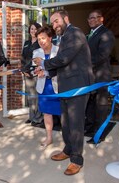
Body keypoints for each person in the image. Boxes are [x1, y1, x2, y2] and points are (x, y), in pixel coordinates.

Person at [33, 10, 94, 175]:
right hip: (66, 87)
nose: (55, 25)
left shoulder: (75, 33)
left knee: (75, 124)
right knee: (66, 122)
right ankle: (68, 150)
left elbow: (64, 59)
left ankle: (76, 159)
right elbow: (62, 65)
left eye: (56, 21)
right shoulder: (65, 36)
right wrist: (44, 72)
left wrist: (44, 64)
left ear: (66, 18)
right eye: (52, 23)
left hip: (78, 87)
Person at [85, 10, 115, 144]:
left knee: (101, 105)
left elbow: (102, 55)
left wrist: (84, 65)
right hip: (90, 76)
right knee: (90, 103)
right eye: (89, 18)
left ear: (101, 19)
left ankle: (99, 134)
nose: (91, 20)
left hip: (101, 76)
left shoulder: (106, 34)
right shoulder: (90, 35)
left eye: (94, 18)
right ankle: (90, 128)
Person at [33, 26, 61, 148]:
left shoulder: (59, 51)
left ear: (50, 38)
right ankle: (49, 138)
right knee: (47, 113)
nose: (41, 41)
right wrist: (36, 71)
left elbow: (62, 70)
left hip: (58, 86)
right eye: (39, 39)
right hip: (43, 87)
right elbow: (33, 68)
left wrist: (46, 72)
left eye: (43, 38)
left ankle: (67, 140)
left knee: (63, 113)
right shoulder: (36, 52)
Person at [21, 22, 43, 126]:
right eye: (31, 29)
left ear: (38, 30)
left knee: (37, 96)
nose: (33, 31)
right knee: (30, 96)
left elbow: (37, 59)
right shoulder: (26, 42)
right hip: (26, 73)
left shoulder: (40, 43)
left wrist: (30, 70)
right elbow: (23, 58)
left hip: (36, 72)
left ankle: (38, 118)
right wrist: (24, 70)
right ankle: (31, 116)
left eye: (35, 29)